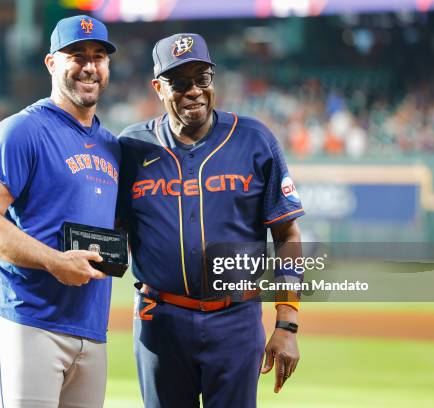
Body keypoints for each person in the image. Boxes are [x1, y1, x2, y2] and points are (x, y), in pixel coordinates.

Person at [117, 33, 304, 408]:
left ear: (213, 80)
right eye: (179, 82)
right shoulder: (131, 147)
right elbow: (108, 231)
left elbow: (287, 234)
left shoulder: (253, 139)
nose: (194, 91)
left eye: (202, 79)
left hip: (235, 319)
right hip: (160, 321)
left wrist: (286, 323)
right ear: (158, 87)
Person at [0, 15, 119, 408]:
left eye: (98, 56)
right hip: (27, 321)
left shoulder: (111, 145)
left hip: (91, 327)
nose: (89, 66)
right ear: (51, 63)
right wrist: (54, 261)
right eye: (77, 55)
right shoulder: (21, 131)